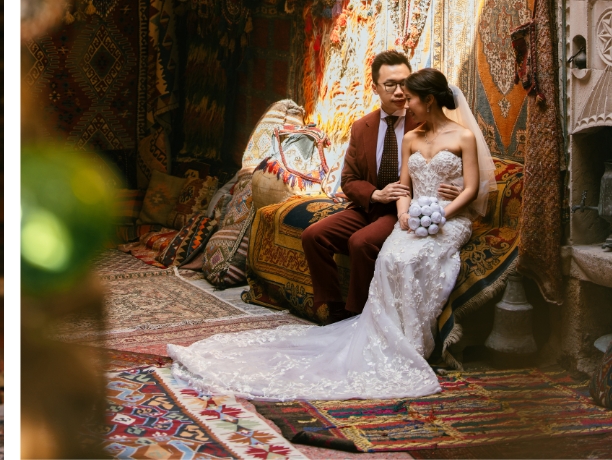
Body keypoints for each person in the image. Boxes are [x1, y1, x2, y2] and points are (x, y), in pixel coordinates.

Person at [167, 68, 496, 401]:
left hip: (447, 218)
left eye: (409, 96)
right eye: (393, 88)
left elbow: (470, 189)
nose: (404, 102)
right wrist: (404, 214)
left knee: (406, 257)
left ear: (428, 99)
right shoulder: (401, 135)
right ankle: (348, 319)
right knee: (387, 255)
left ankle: (413, 340)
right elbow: (398, 187)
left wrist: (441, 214)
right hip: (402, 213)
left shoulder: (462, 137)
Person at [301, 50, 420, 323]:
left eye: (405, 82)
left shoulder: (423, 123)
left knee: (361, 242)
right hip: (369, 205)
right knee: (313, 236)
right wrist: (376, 194)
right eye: (390, 84)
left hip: (402, 210)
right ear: (375, 86)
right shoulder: (362, 126)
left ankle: (358, 316)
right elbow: (349, 180)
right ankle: (333, 309)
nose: (400, 91)